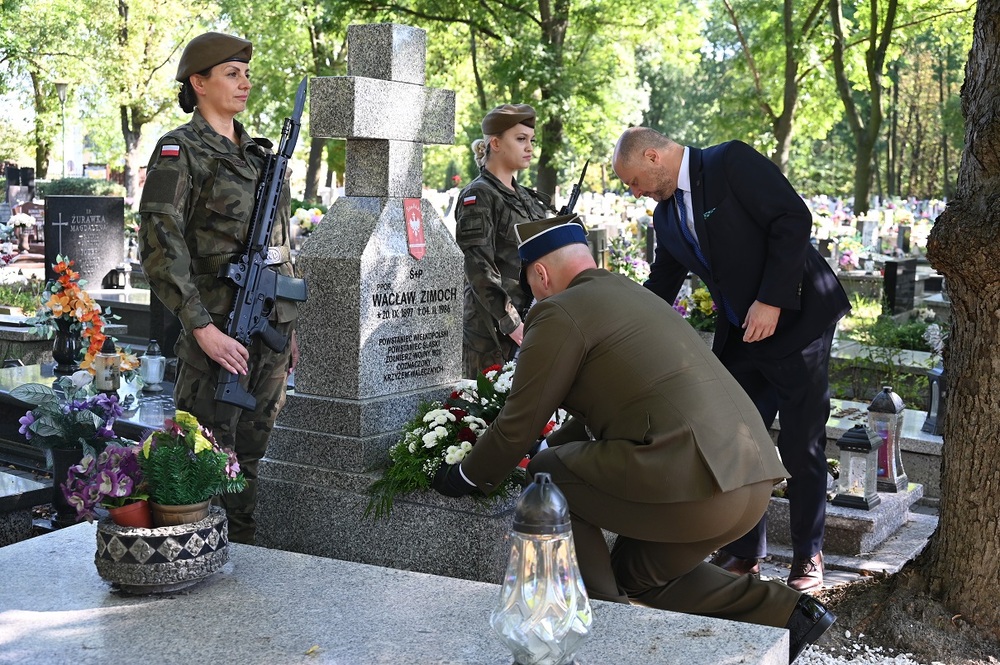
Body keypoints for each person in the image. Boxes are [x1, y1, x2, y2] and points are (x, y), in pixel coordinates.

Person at [431, 214, 836, 662]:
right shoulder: (630, 295)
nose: (532, 293)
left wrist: (465, 476)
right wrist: (548, 445)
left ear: (540, 274)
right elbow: (601, 416)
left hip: (697, 482)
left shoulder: (559, 309)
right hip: (751, 479)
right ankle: (791, 612)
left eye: (529, 282)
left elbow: (518, 424)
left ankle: (605, 624)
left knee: (548, 478)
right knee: (636, 574)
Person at [611, 127, 851, 591]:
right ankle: (745, 552)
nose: (634, 191)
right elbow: (662, 283)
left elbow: (792, 218)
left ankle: (808, 556)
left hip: (797, 320)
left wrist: (772, 299)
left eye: (634, 180)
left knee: (801, 445)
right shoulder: (665, 216)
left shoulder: (729, 162)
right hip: (743, 335)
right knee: (740, 443)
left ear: (654, 156)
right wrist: (614, 323)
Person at [138, 32, 299, 544]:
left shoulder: (259, 156)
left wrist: (288, 325)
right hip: (218, 332)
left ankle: (245, 552)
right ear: (198, 82)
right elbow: (162, 247)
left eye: (246, 74)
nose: (245, 82)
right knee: (204, 457)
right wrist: (201, 327)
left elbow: (280, 245)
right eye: (232, 73)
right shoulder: (179, 151)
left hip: (267, 330)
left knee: (255, 453)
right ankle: (196, 561)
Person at [454, 103, 556, 379]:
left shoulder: (530, 199)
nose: (529, 147)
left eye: (531, 140)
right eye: (520, 139)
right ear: (495, 143)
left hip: (533, 320)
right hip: (491, 333)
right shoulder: (479, 196)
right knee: (487, 414)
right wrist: (511, 322)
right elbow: (477, 267)